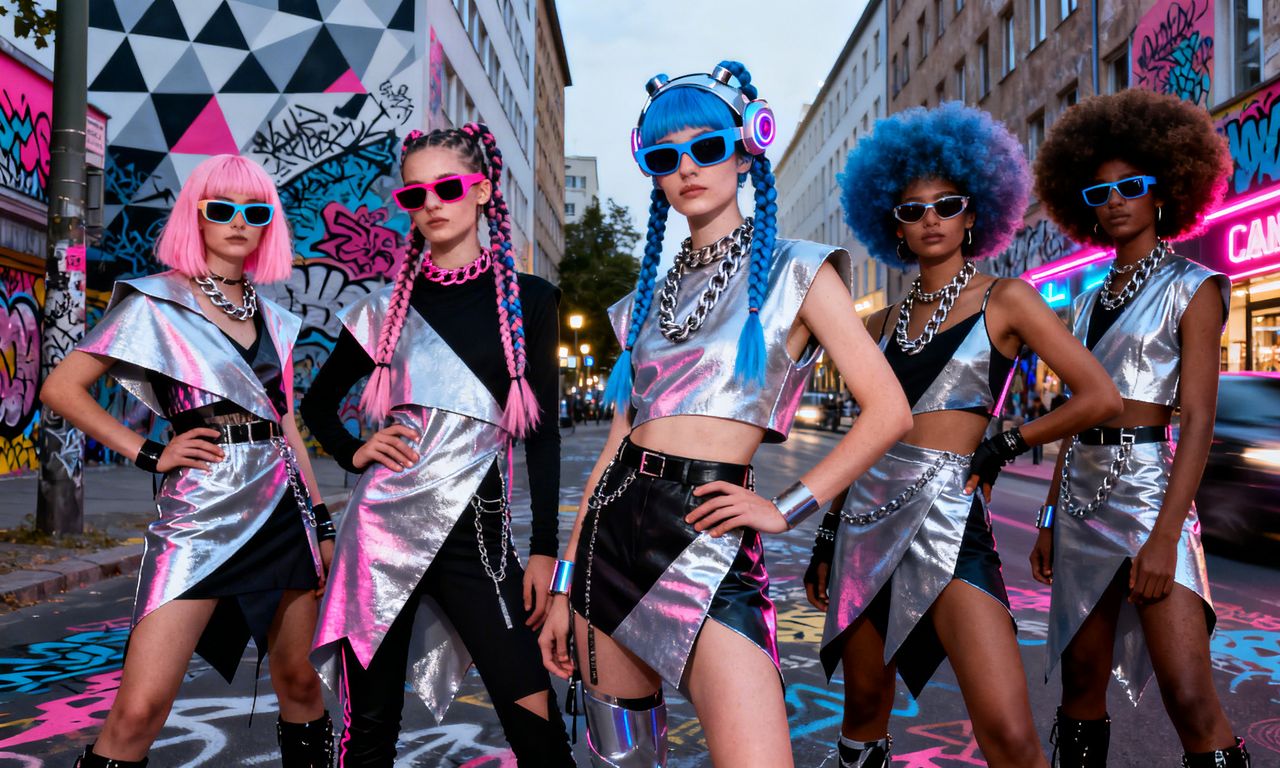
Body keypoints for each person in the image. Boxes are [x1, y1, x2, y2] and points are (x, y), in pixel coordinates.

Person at [537, 61, 911, 768]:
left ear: (746, 151)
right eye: (664, 156)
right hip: (610, 545)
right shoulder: (642, 304)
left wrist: (788, 507)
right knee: (625, 764)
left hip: (710, 536)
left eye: (707, 147)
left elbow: (889, 410)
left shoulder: (798, 272)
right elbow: (616, 447)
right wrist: (564, 585)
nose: (686, 167)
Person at [803, 104, 1121, 768]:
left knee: (1007, 733)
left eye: (947, 205)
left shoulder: (1009, 300)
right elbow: (865, 435)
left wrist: (1007, 444)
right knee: (863, 712)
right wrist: (829, 532)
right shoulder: (878, 325)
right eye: (913, 210)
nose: (931, 220)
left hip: (951, 521)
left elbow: (1100, 397)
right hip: (864, 524)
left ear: (973, 214)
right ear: (893, 223)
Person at [41, 155, 335, 767]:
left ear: (269, 224)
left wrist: (323, 524)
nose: (238, 221)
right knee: (139, 710)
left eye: (255, 211)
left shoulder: (276, 319)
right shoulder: (156, 303)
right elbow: (61, 389)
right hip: (199, 513)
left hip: (283, 513)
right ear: (196, 217)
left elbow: (284, 424)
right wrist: (151, 452)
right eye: (221, 208)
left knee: (302, 685)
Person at [300, 124, 574, 766]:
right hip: (378, 538)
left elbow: (542, 436)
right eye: (413, 194)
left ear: (482, 191)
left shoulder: (531, 300)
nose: (430, 203)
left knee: (536, 724)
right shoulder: (385, 308)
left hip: (479, 540)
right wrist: (354, 451)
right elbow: (316, 403)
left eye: (447, 188)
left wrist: (543, 550)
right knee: (368, 734)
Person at [1031, 89, 1249, 767]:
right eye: (1099, 193)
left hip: (1152, 494)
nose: (1116, 201)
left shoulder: (1194, 286)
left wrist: (1164, 536)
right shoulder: (1086, 301)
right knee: (1079, 686)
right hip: (1080, 503)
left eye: (1131, 186)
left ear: (1165, 191)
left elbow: (1200, 419)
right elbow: (1077, 415)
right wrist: (1048, 515)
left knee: (1189, 695)